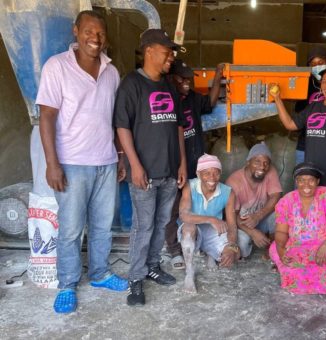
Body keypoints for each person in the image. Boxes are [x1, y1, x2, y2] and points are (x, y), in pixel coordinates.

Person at [36, 10, 128, 314]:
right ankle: (67, 284)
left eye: (100, 33)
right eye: (89, 31)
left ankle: (100, 274)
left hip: (105, 160)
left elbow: (115, 121)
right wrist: (52, 164)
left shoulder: (111, 72)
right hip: (72, 162)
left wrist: (120, 156)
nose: (95, 38)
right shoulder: (57, 67)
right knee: (72, 229)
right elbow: (46, 115)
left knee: (103, 226)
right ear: (76, 32)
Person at [114, 29, 187, 306]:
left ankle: (153, 266)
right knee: (142, 227)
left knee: (161, 223)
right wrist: (134, 164)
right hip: (144, 171)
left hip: (169, 171)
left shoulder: (169, 85)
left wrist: (181, 162)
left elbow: (178, 126)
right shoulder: (131, 84)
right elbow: (122, 126)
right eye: (167, 51)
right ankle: (135, 277)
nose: (171, 56)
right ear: (149, 51)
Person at [164, 60, 224, 270]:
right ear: (171, 78)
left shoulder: (192, 99)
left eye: (189, 78)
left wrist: (218, 74)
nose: (186, 83)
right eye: (181, 78)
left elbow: (212, 101)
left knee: (195, 207)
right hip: (172, 167)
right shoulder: (167, 99)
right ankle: (173, 250)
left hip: (195, 165)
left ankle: (200, 245)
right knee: (171, 209)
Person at [270, 64, 326, 208]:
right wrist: (277, 99)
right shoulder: (314, 106)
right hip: (314, 176)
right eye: (324, 81)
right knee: (316, 215)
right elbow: (291, 125)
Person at [269, 162, 326, 295]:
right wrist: (281, 249)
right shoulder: (286, 201)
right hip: (299, 244)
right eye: (302, 181)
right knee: (275, 249)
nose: (306, 185)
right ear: (296, 182)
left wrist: (325, 246)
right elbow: (281, 231)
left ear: (317, 181)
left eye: (311, 180)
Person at [179, 154, 240, 293]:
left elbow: (231, 224)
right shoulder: (190, 186)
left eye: (216, 172)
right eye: (206, 173)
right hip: (194, 227)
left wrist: (231, 247)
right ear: (198, 174)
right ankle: (189, 272)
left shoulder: (228, 192)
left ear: (220, 173)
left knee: (234, 255)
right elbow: (184, 215)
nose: (212, 178)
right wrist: (211, 219)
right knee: (189, 228)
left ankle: (210, 254)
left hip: (213, 230)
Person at [226, 143, 282, 260]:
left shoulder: (270, 172)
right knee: (243, 246)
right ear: (248, 162)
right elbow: (232, 216)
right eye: (257, 162)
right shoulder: (234, 181)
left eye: (266, 163)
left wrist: (258, 216)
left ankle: (273, 248)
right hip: (241, 224)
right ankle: (255, 240)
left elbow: (276, 196)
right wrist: (252, 232)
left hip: (260, 218)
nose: (262, 167)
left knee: (279, 214)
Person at [294, 46, 326, 165]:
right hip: (307, 142)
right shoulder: (305, 83)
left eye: (320, 62)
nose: (317, 66)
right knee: (303, 179)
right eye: (313, 64)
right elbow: (298, 112)